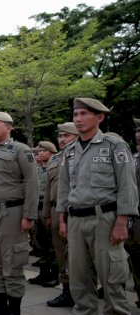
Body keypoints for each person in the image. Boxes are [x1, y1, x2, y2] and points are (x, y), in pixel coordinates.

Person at [57, 98, 139, 315]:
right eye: (75, 115)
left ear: (99, 117)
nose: (78, 119)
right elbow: (64, 187)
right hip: (75, 221)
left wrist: (122, 222)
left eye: (84, 114)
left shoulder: (115, 146)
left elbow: (127, 187)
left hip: (105, 219)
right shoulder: (70, 150)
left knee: (112, 277)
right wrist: (62, 219)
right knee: (79, 278)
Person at [0, 112, 39, 315]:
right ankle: (0, 306)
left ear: (9, 127)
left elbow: (32, 183)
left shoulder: (21, 150)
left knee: (12, 265)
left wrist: (29, 216)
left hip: (11, 214)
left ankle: (14, 310)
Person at [43, 122, 78, 308]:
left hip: (76, 211)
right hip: (57, 211)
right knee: (60, 253)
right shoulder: (55, 159)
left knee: (79, 255)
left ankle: (82, 292)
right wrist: (47, 213)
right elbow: (48, 189)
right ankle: (66, 291)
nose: (62, 139)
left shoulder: (81, 155)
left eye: (67, 135)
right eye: (60, 136)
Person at [28, 141, 59, 288]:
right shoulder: (36, 169)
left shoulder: (56, 168)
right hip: (36, 208)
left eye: (43, 151)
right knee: (39, 242)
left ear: (52, 153)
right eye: (38, 151)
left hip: (49, 208)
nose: (39, 153)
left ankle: (54, 275)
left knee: (52, 243)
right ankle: (43, 273)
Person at [128, 117, 140, 308]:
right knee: (135, 258)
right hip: (135, 218)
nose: (139, 135)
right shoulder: (133, 157)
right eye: (138, 131)